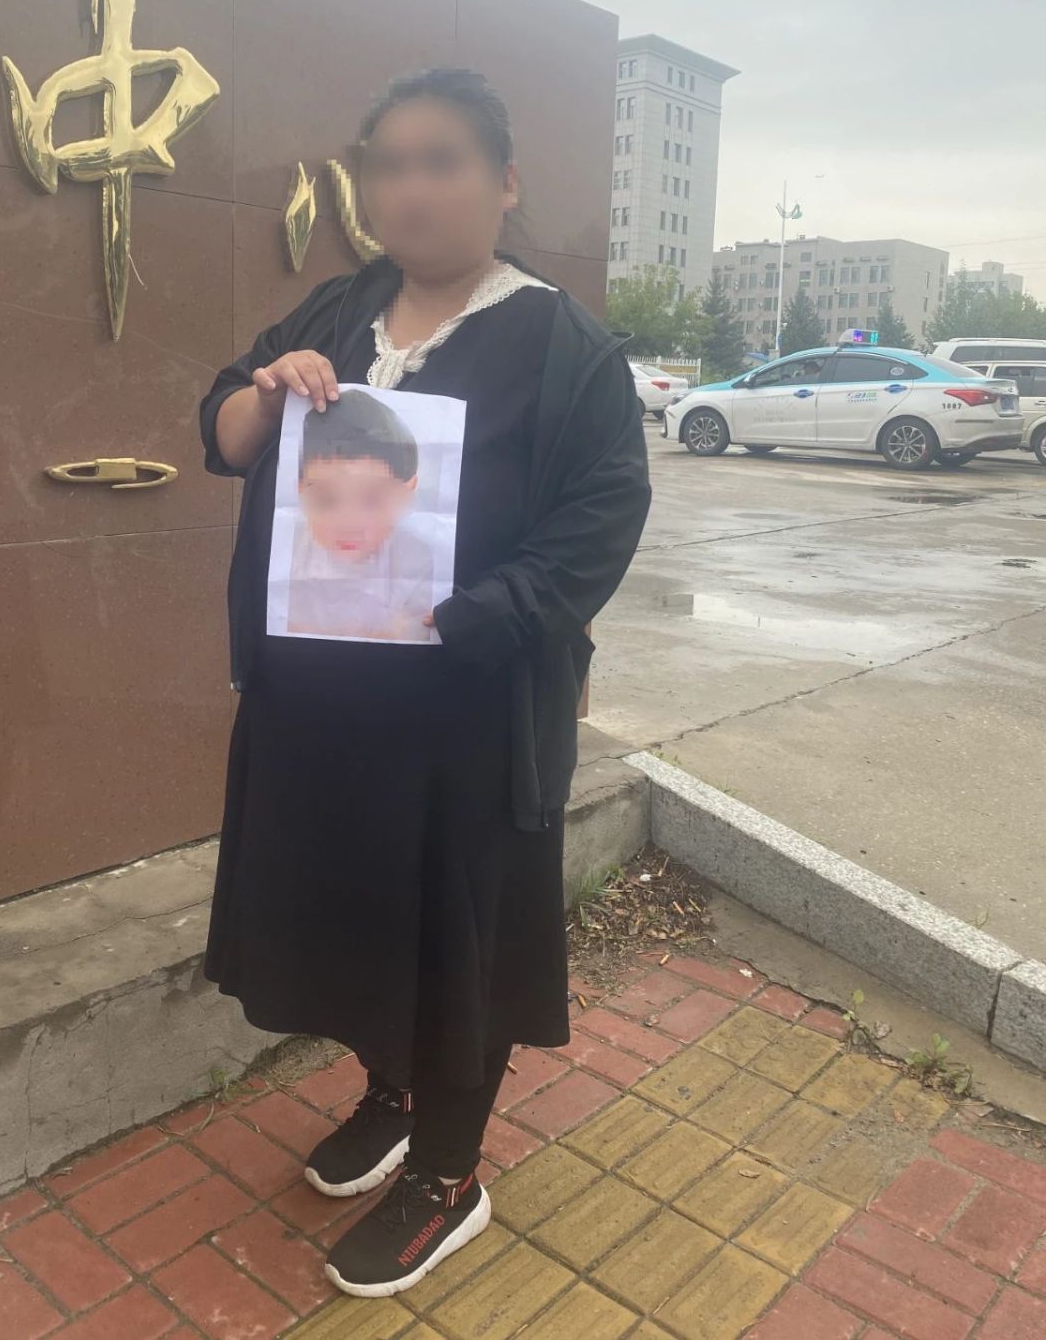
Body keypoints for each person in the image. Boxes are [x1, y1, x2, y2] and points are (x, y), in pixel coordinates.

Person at [199, 67, 651, 1299]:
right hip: (322, 710)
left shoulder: (565, 346)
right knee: (355, 917)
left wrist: (468, 619)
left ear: (503, 182)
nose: (410, 189)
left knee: (458, 945)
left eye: (442, 161)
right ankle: (393, 1095)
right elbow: (222, 432)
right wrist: (265, 393)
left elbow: (598, 526)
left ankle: (450, 1175)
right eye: (387, 164)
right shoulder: (344, 306)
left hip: (470, 721)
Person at [285, 388, 435, 643]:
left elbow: (417, 633)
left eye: (372, 500)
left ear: (406, 493)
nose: (348, 523)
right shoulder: (290, 552)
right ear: (301, 492)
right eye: (326, 500)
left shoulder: (418, 559)